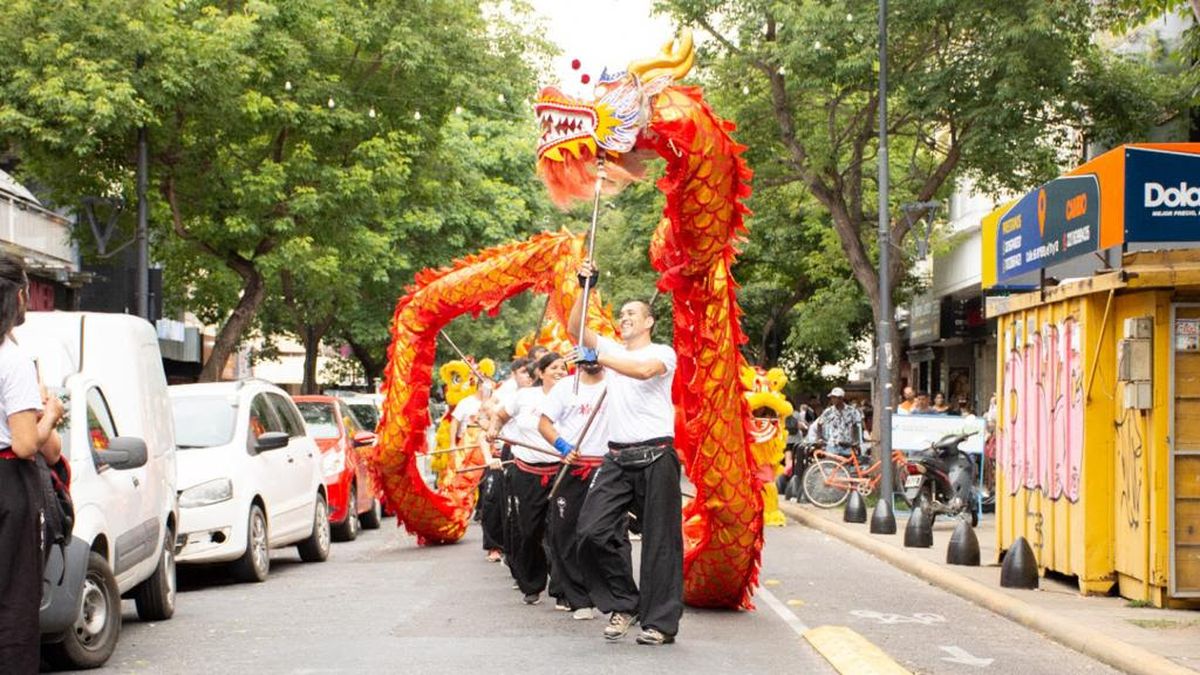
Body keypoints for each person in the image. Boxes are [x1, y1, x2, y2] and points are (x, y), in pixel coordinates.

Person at [568, 260, 682, 646]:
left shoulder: (663, 353)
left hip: (657, 455)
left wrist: (600, 357)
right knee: (590, 531)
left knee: (660, 542)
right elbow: (575, 330)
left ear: (649, 321)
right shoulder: (613, 348)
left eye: (632, 313)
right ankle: (624, 602)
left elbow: (644, 372)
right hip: (616, 459)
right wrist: (584, 286)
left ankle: (660, 624)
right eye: (621, 314)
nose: (624, 317)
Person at [0, 255, 65, 673]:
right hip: (8, 486)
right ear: (18, 296)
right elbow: (26, 444)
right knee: (13, 602)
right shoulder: (13, 360)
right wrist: (52, 415)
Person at [487, 352, 568, 606]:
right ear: (540, 373)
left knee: (561, 532)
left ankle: (564, 591)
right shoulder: (524, 396)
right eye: (554, 367)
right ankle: (532, 582)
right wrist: (493, 429)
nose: (560, 371)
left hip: (562, 470)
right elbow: (500, 416)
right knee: (530, 530)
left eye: (564, 368)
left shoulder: (572, 395)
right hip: (527, 471)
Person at [537, 358, 609, 621]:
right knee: (565, 534)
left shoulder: (616, 383)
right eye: (586, 356)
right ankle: (579, 599)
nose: (591, 361)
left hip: (608, 470)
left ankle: (619, 597)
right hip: (573, 468)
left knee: (606, 535)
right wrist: (563, 447)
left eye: (595, 355)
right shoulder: (566, 387)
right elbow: (544, 424)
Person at [478, 358, 531, 563]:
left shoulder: (546, 395)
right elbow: (485, 423)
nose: (528, 376)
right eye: (524, 372)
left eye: (531, 372)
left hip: (538, 460)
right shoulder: (505, 396)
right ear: (514, 373)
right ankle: (498, 547)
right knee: (495, 502)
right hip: (506, 456)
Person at [812, 387, 864, 460]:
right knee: (832, 467)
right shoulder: (829, 411)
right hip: (832, 445)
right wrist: (819, 439)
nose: (832, 400)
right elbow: (820, 423)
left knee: (847, 468)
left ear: (841, 398)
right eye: (832, 398)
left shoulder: (852, 411)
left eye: (834, 397)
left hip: (847, 445)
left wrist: (856, 441)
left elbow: (856, 426)